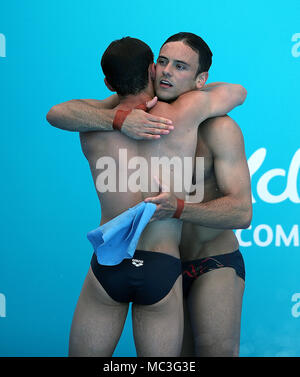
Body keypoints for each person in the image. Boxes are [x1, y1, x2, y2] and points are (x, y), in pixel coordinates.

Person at [46, 33, 249, 357]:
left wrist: (179, 208)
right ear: (152, 69)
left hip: (192, 258)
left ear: (200, 79)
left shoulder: (216, 126)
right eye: (164, 62)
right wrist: (120, 119)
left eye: (180, 66)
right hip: (164, 260)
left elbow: (57, 113)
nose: (168, 71)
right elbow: (236, 92)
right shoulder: (182, 113)